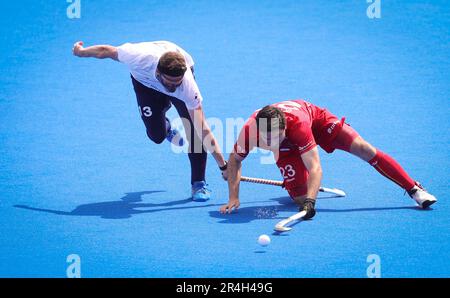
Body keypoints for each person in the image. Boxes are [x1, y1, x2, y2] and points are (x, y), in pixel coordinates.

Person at [220, 99, 437, 217]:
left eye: (275, 136)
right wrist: (233, 197)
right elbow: (235, 160)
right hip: (289, 145)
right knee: (299, 199)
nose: (271, 142)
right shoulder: (249, 130)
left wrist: (311, 203)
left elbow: (315, 167)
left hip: (318, 122)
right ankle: (294, 185)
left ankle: (414, 189)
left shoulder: (298, 125)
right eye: (266, 138)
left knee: (364, 148)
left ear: (285, 127)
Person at [72, 40, 227, 201]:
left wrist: (223, 166)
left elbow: (203, 129)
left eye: (177, 82)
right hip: (145, 85)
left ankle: (198, 183)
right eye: (170, 82)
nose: (174, 86)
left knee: (194, 133)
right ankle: (166, 126)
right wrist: (81, 52)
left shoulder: (187, 87)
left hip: (179, 82)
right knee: (156, 136)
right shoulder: (138, 58)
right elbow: (105, 51)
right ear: (158, 73)